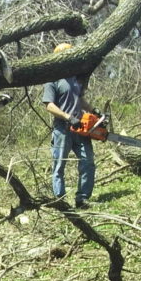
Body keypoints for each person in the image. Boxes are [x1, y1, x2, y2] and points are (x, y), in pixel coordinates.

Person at [42, 42, 97, 208]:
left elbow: (80, 100)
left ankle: (82, 197)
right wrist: (67, 117)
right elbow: (49, 105)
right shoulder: (51, 79)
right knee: (59, 164)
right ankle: (60, 199)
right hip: (63, 129)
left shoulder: (75, 79)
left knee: (88, 162)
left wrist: (94, 111)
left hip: (81, 128)